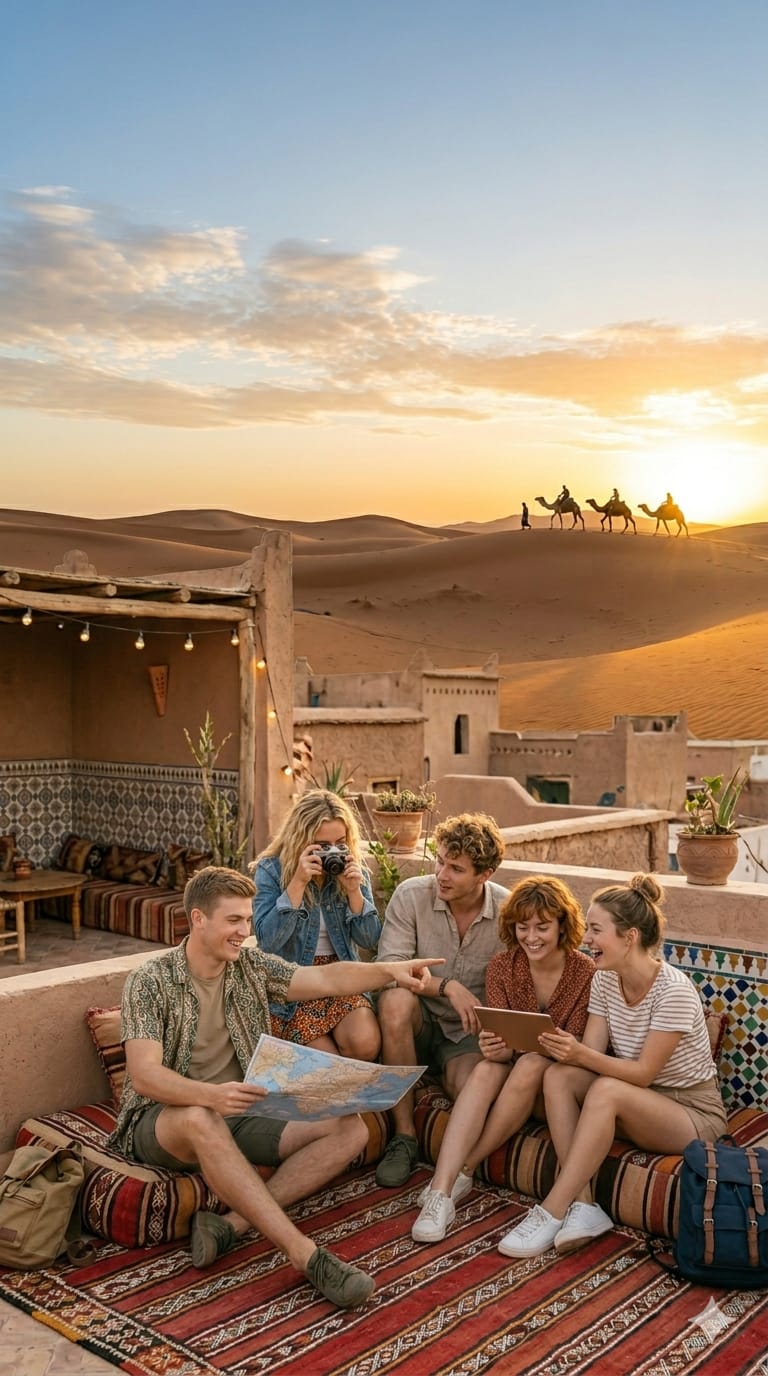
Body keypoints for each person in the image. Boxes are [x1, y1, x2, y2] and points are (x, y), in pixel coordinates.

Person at [107, 866, 444, 1308]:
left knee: (352, 1129)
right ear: (198, 919)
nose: (244, 931)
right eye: (234, 921)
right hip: (165, 1121)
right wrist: (212, 1095)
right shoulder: (151, 981)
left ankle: (232, 1225)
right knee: (199, 1117)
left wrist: (390, 973)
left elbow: (326, 979)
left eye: (247, 921)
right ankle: (305, 1255)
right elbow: (146, 1076)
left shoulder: (250, 967)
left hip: (242, 1108)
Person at [497, 873, 728, 1258]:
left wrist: (579, 1055)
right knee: (558, 1077)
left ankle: (552, 1209)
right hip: (638, 1099)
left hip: (691, 1113)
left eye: (596, 930)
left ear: (630, 937)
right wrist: (559, 1049)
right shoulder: (604, 980)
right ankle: (585, 1205)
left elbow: (642, 1074)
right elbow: (589, 1055)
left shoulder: (672, 990)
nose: (586, 939)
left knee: (604, 1089)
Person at [411, 876, 594, 1242]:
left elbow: (582, 1050)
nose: (531, 937)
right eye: (522, 927)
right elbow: (503, 1040)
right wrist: (498, 1047)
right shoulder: (502, 966)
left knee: (531, 1064)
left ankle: (468, 1165)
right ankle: (441, 1192)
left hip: (561, 1084)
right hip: (515, 1075)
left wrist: (534, 1052)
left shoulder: (585, 972)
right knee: (486, 1068)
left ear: (562, 926)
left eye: (542, 927)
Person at [374, 812, 507, 1188]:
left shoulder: (506, 913)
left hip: (465, 1034)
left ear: (486, 875)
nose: (442, 875)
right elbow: (391, 968)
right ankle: (404, 1137)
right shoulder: (411, 895)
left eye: (456, 868)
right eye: (440, 861)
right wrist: (447, 985)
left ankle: (457, 1169)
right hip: (417, 1020)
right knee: (395, 1003)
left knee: (470, 1089)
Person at [252, 790, 381, 1061]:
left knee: (365, 1044)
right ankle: (359, 1103)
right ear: (302, 840)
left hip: (339, 972)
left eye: (340, 843)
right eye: (322, 845)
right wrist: (297, 884)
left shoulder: (352, 867)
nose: (332, 852)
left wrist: (354, 892)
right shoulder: (271, 871)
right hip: (295, 979)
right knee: (326, 1064)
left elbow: (370, 940)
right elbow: (267, 942)